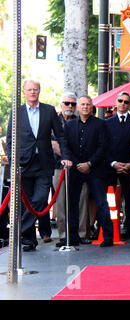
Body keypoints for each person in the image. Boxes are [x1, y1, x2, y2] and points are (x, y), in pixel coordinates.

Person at [6, 79, 73, 252]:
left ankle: (17, 230)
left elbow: (61, 136)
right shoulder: (17, 112)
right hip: (24, 163)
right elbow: (11, 140)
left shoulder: (49, 111)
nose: (33, 92)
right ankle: (28, 240)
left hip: (44, 163)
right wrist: (14, 163)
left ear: (39, 91)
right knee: (26, 202)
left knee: (40, 199)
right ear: (24, 92)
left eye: (35, 89)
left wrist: (65, 156)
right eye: (29, 90)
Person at [64, 95, 114, 247]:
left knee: (101, 202)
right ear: (78, 107)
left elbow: (103, 147)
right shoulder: (69, 125)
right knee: (72, 203)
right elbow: (66, 146)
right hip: (76, 169)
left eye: (88, 104)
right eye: (82, 104)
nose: (85, 107)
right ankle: (73, 236)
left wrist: (90, 163)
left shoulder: (100, 124)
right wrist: (78, 164)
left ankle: (107, 236)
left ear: (92, 107)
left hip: (96, 169)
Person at [52, 93, 91, 247]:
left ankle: (81, 233)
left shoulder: (78, 122)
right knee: (61, 202)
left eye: (73, 104)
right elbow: (55, 145)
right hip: (59, 167)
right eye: (66, 103)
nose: (70, 106)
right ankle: (63, 235)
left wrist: (79, 162)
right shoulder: (54, 121)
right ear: (61, 104)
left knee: (82, 200)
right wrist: (72, 158)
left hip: (80, 168)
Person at [105, 91, 130, 241]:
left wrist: (129, 164)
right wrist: (113, 163)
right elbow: (103, 146)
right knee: (110, 200)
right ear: (116, 102)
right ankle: (107, 229)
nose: (123, 104)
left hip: (129, 166)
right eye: (120, 101)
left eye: (126, 102)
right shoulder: (106, 123)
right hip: (111, 167)